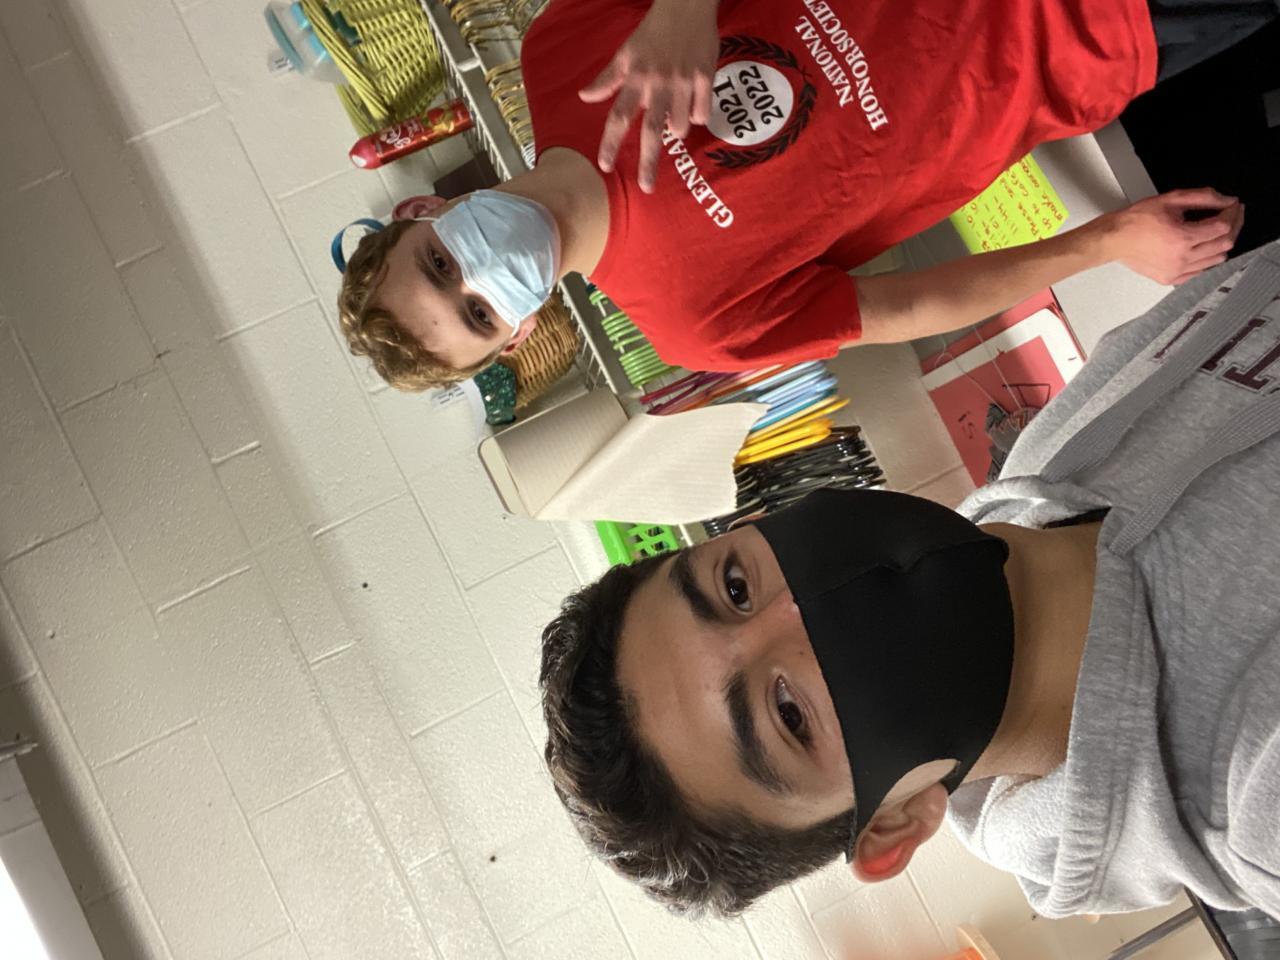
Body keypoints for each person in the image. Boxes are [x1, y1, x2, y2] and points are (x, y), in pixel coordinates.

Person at [538, 240, 1280, 920]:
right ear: (892, 825)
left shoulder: (1048, 462)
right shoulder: (1254, 806)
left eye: (735, 588)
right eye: (788, 713)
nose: (798, 610)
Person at [337, 0, 1273, 390]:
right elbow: (909, 306)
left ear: (425, 211)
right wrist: (1105, 242)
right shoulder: (698, 326)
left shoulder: (558, 56)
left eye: (441, 262)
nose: (481, 273)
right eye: (477, 311)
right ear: (514, 337)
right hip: (1086, 39)